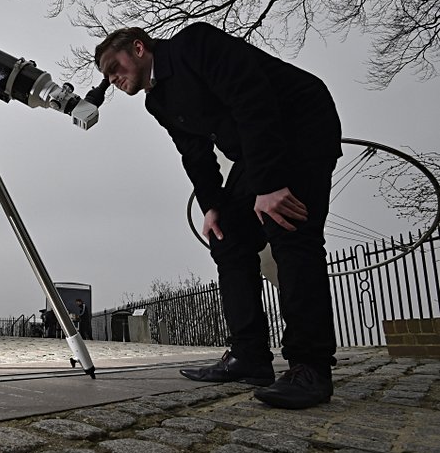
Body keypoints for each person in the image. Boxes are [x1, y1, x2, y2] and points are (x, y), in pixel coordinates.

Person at [95, 22, 341, 409]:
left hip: (300, 124)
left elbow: (252, 97)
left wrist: (271, 183)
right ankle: (249, 356)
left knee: (290, 230)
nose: (112, 79)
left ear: (139, 48)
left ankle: (310, 366)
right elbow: (194, 153)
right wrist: (212, 206)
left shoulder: (195, 44)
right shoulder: (157, 102)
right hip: (254, 151)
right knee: (227, 236)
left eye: (114, 67)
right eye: (107, 76)